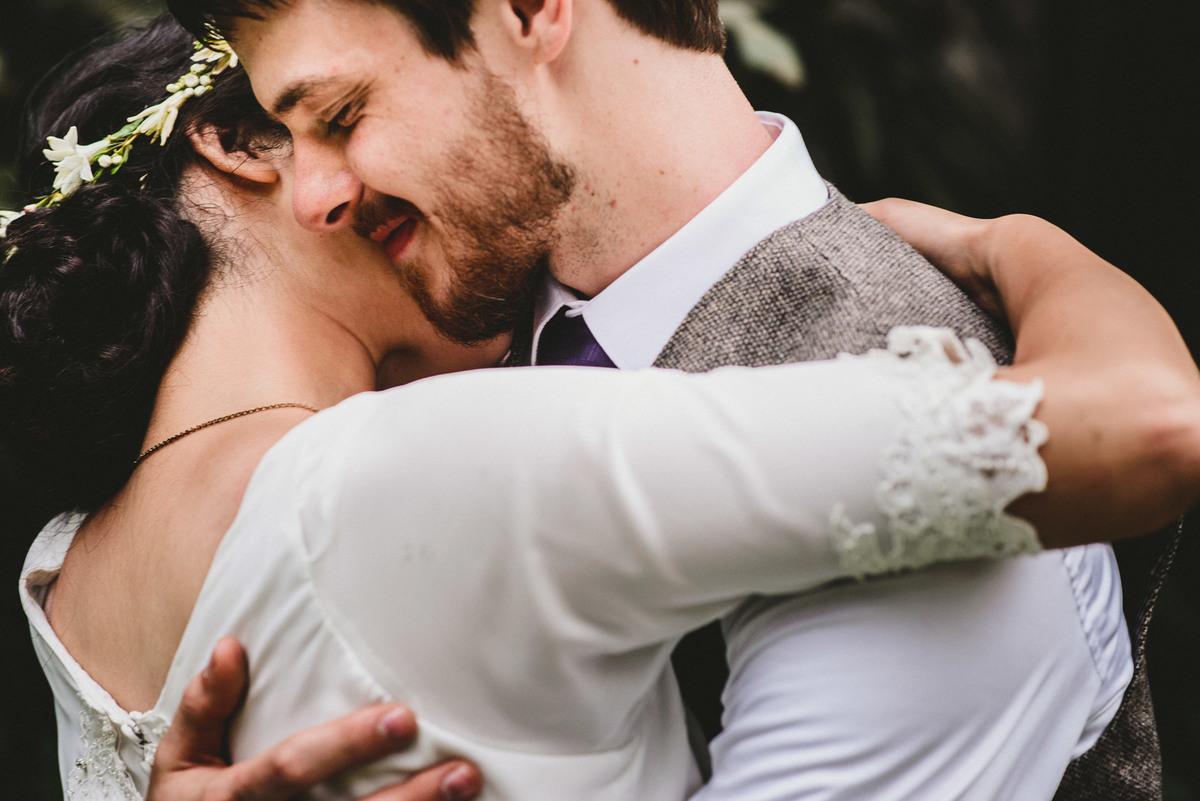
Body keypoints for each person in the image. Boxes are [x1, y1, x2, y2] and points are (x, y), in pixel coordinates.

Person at [8, 13, 1196, 801]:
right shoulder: (441, 406)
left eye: (342, 113)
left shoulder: (66, 576)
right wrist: (1027, 245)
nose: (327, 185)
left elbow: (1139, 434)